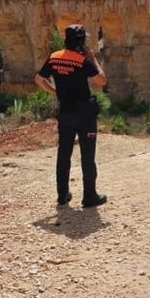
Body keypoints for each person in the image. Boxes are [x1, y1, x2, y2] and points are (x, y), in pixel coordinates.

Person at [35, 24, 108, 208]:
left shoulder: (54, 57)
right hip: (85, 114)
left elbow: (38, 79)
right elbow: (101, 81)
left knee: (64, 154)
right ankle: (89, 196)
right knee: (87, 155)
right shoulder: (82, 60)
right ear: (81, 41)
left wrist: (55, 92)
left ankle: (62, 195)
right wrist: (93, 58)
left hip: (65, 113)